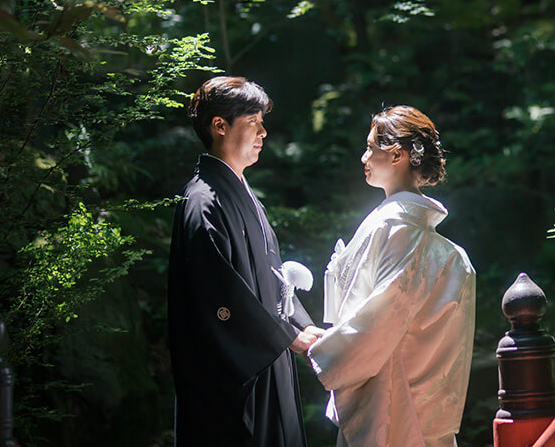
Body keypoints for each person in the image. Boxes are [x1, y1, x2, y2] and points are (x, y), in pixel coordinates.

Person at [168, 76, 324, 447]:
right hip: (235, 375)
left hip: (267, 354)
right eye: (253, 121)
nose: (263, 132)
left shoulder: (244, 195)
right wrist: (287, 336)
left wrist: (302, 325)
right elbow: (221, 294)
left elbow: (271, 279)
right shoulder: (203, 202)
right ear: (219, 125)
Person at [309, 105, 476, 447]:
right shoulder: (422, 236)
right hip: (414, 392)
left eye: (371, 147)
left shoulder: (395, 226)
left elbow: (385, 315)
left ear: (398, 154)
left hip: (389, 395)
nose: (363, 156)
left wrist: (326, 351)